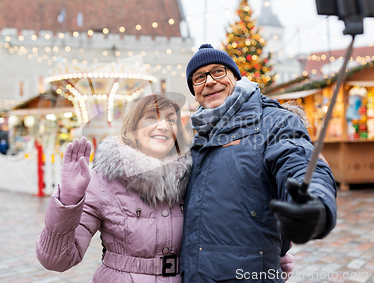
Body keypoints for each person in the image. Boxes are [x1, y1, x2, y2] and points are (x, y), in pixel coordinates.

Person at [37, 94, 285, 282]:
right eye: (152, 118)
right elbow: (56, 260)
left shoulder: (195, 176)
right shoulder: (103, 182)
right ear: (133, 130)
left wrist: (271, 256)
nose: (163, 126)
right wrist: (68, 200)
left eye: (171, 120)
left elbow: (233, 225)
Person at [180, 44, 337, 282]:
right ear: (194, 90)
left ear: (236, 76)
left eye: (218, 71)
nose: (210, 81)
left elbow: (299, 162)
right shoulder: (193, 135)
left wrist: (314, 202)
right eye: (199, 77)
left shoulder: (274, 122)